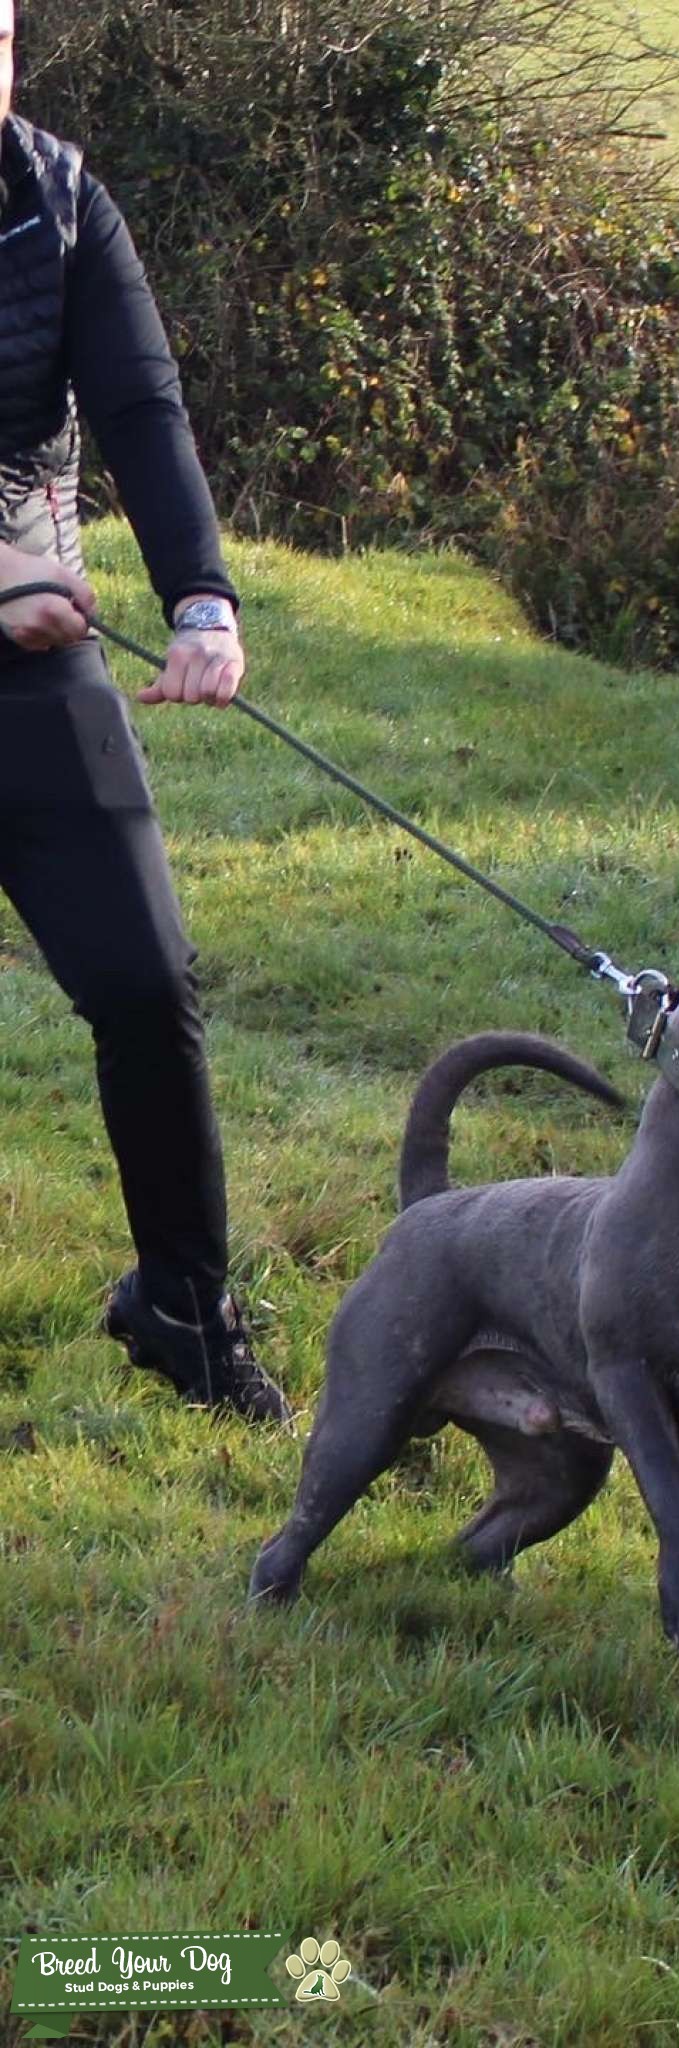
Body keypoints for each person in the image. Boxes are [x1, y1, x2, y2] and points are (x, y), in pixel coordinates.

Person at [0, 1, 288, 1421]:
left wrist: (200, 602)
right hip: (12, 601)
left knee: (145, 982)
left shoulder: (57, 201)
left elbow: (139, 402)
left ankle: (184, 1305)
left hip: (36, 668)